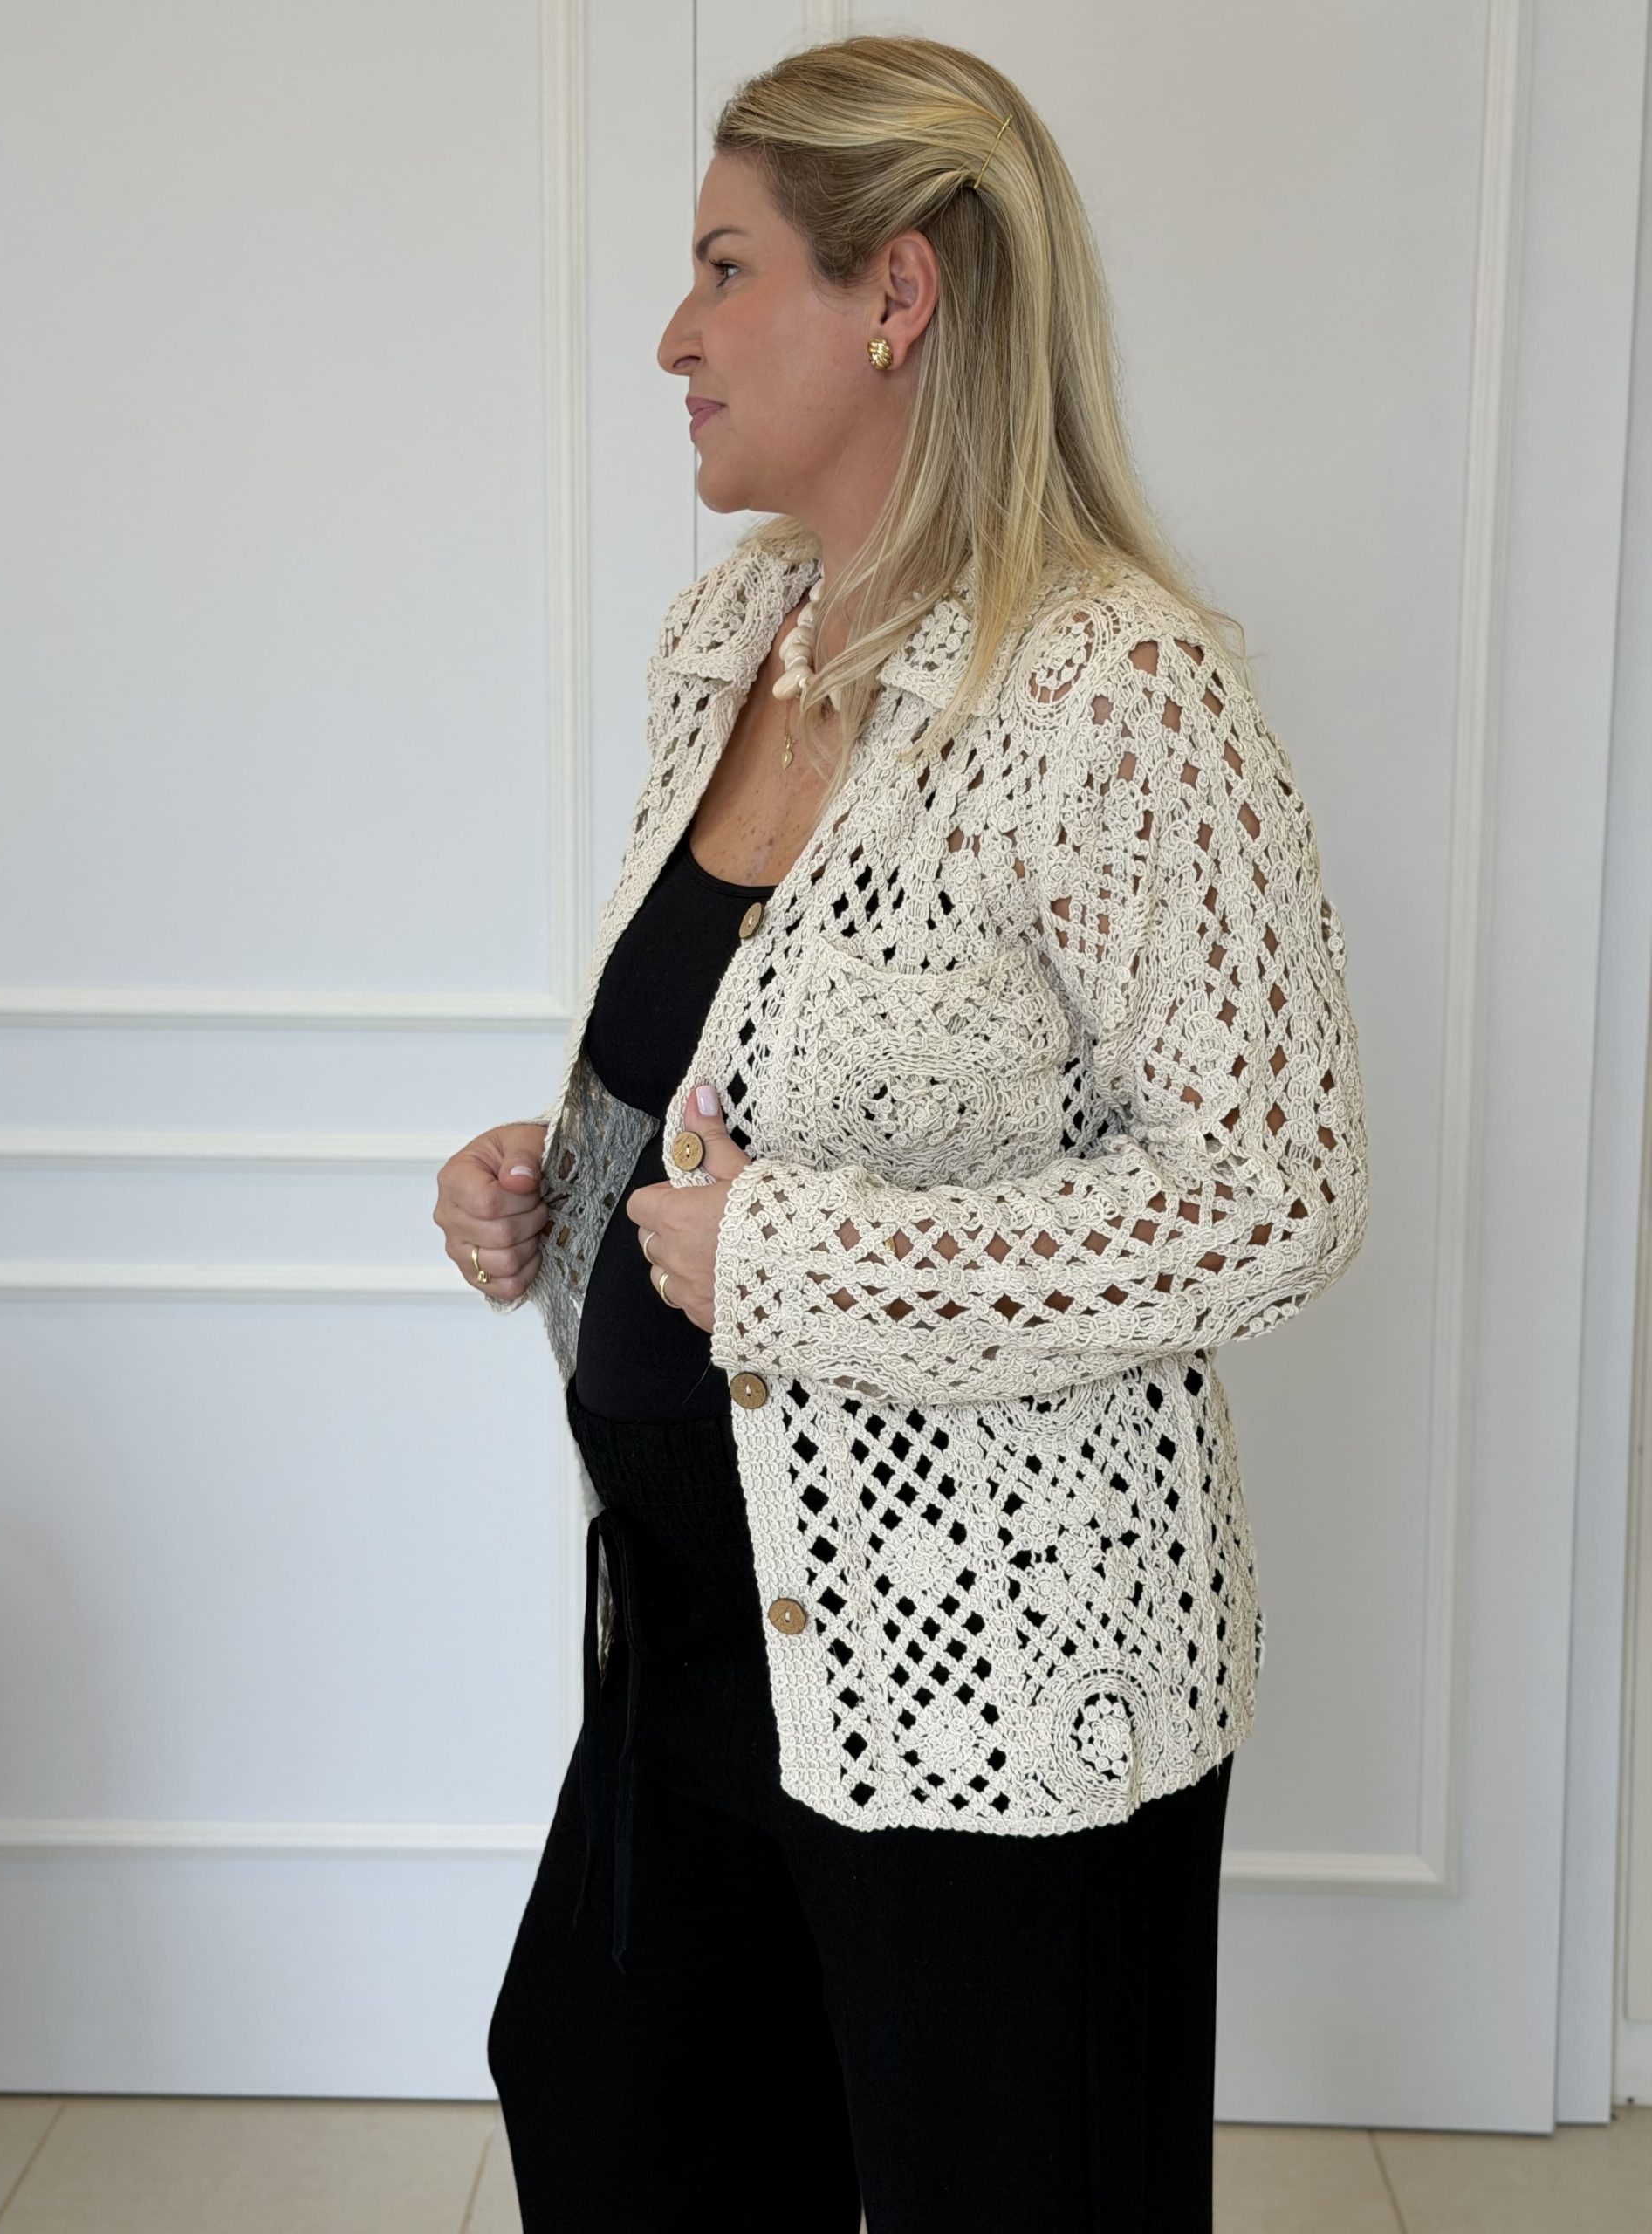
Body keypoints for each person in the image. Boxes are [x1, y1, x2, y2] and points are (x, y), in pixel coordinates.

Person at [432, 31, 1368, 2233]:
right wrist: (556, 1179)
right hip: (692, 1648)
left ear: (899, 295)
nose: (673, 336)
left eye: (723, 267)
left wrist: (802, 1265)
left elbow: (1277, 1189)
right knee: (610, 2103)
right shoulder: (732, 633)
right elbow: (734, 1058)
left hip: (1002, 1684)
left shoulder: (1121, 684)